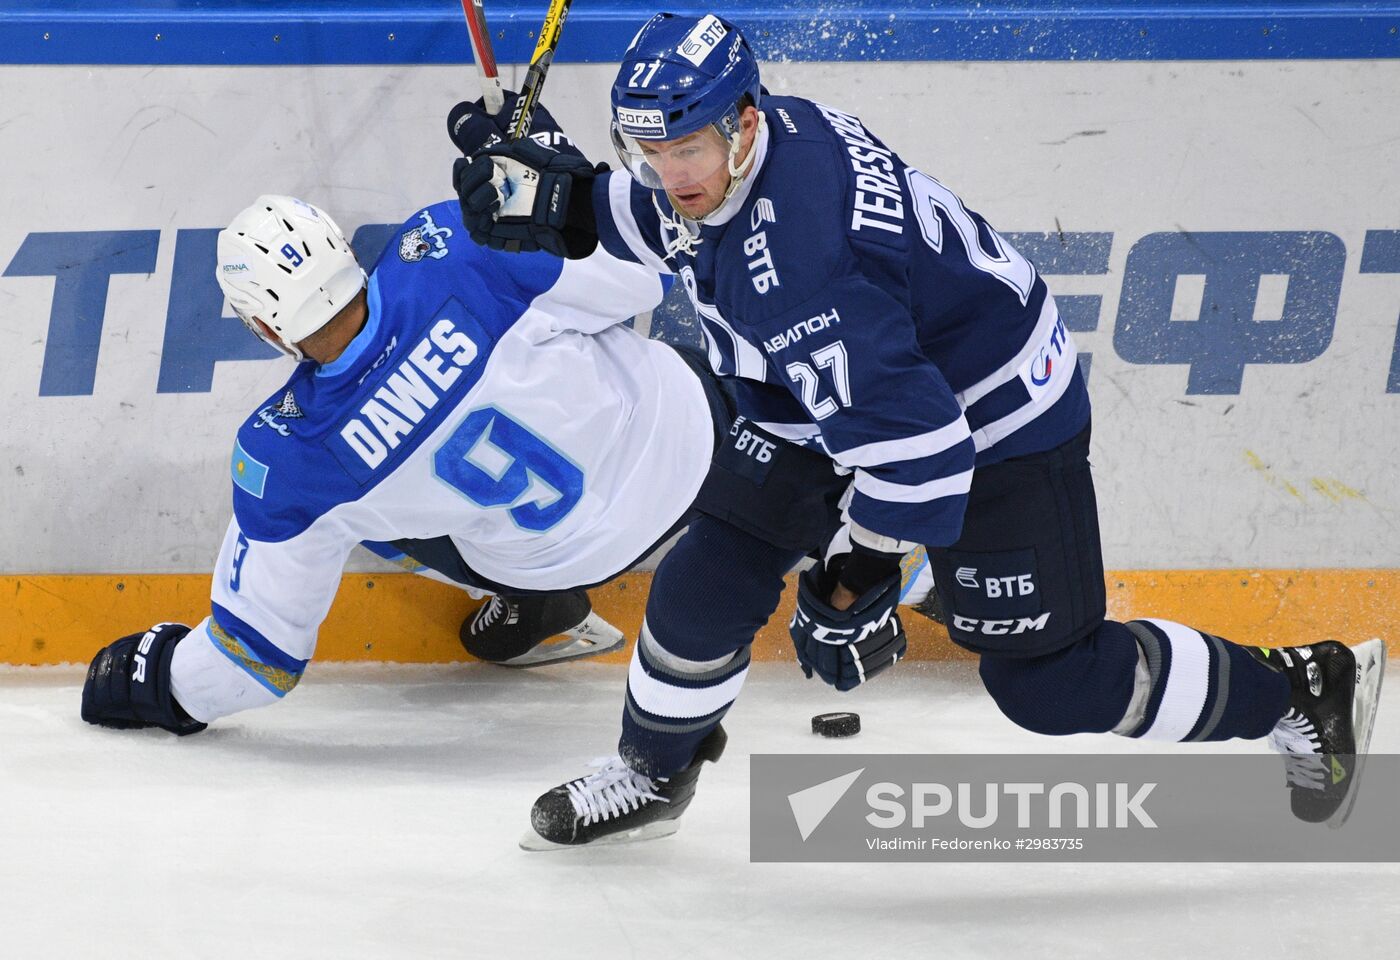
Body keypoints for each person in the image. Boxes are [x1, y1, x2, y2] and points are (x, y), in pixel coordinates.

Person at [454, 11, 1386, 846]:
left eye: (684, 150)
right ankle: (656, 774)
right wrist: (568, 205)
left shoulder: (808, 267)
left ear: (741, 126)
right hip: (852, 400)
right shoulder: (761, 142)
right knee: (708, 576)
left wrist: (855, 580)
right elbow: (678, 220)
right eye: (645, 152)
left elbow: (924, 453)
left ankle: (1297, 687)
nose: (668, 176)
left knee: (1050, 684)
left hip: (992, 419)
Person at [80, 98, 852, 743]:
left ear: (263, 328)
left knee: (362, 518)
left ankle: (544, 611)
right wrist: (563, 187)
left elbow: (254, 662)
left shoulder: (289, 459)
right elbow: (655, 259)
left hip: (562, 559)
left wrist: (156, 685)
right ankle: (888, 537)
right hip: (694, 441)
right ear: (343, 247)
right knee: (693, 318)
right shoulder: (453, 249)